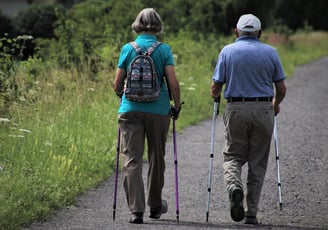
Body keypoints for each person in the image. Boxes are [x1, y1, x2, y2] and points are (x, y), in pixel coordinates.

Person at [210, 14, 287, 225]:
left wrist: (215, 96)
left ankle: (235, 186)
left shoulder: (227, 51)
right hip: (263, 109)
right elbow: (281, 89)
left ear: (237, 31)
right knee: (257, 162)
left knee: (232, 156)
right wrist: (275, 105)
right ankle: (251, 212)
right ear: (260, 33)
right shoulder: (271, 52)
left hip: (236, 108)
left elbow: (216, 87)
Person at [112, 8, 181, 224]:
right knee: (156, 157)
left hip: (130, 110)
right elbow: (172, 82)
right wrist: (176, 106)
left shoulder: (127, 48)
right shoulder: (163, 50)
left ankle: (136, 210)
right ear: (158, 25)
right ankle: (155, 205)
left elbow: (116, 84)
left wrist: (124, 97)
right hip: (158, 110)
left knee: (132, 158)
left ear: (137, 24)